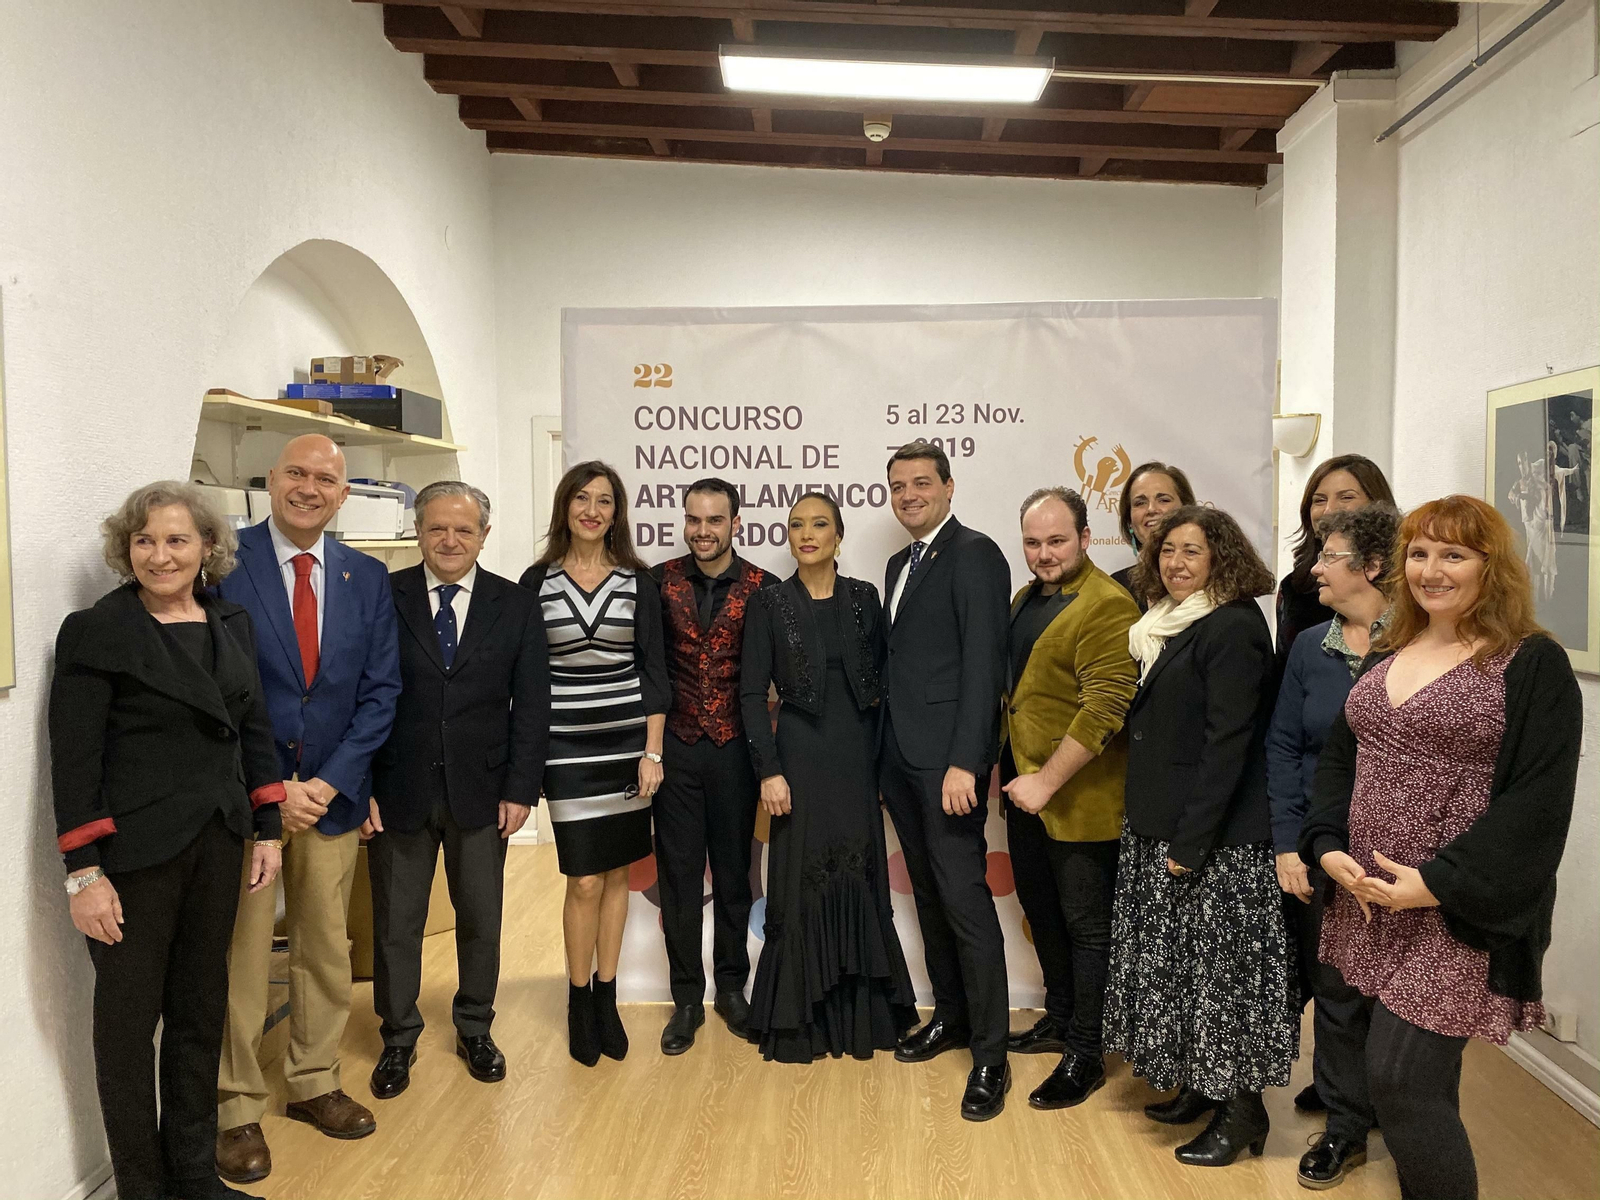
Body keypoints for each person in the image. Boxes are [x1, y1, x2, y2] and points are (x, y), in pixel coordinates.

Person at [1301, 495, 1581, 1200]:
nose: (1432, 569)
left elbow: (1538, 806)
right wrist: (1327, 841)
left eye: (1453, 554)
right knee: (1409, 1083)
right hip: (1369, 899)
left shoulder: (1531, 663)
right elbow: (1343, 754)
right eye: (1419, 553)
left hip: (1454, 909)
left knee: (1400, 1082)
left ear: (1493, 566)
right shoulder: (1394, 645)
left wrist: (1435, 882)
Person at [51, 483, 285, 1200]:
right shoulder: (97, 630)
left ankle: (192, 1172)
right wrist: (83, 873)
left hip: (218, 842)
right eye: (145, 541)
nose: (160, 555)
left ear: (207, 548)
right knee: (126, 1031)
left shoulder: (231, 621)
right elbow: (75, 757)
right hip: (133, 857)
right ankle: (141, 1187)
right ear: (126, 549)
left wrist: (268, 826)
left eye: (177, 540)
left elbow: (253, 729)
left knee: (198, 1011)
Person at [214, 435, 401, 1184]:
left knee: (328, 946)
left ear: (344, 494)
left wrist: (329, 783)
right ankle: (234, 1106)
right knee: (243, 953)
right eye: (298, 473)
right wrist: (273, 788)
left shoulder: (365, 576)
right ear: (271, 479)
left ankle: (314, 1080)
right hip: (250, 798)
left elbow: (380, 692)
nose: (310, 488)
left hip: (332, 795)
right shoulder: (225, 562)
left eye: (327, 478)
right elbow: (215, 684)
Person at [1103, 504, 1298, 1168]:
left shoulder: (1234, 627)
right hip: (1164, 826)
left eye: (1192, 551)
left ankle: (1243, 1112)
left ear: (1223, 559)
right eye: (1166, 551)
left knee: (1224, 982)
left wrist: (1191, 842)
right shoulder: (1164, 625)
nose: (1176, 563)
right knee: (1184, 973)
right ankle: (1200, 1087)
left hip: (1214, 843)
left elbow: (1229, 748)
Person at [366, 482, 550, 1099]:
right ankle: (398, 1037)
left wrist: (522, 788)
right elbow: (358, 697)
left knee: (480, 917)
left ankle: (475, 1026)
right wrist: (359, 785)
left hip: (484, 789)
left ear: (484, 536)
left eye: (463, 530)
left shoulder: (516, 604)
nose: (450, 541)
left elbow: (533, 705)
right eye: (437, 529)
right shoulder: (380, 596)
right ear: (417, 531)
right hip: (397, 788)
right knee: (398, 923)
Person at [740, 493, 919, 1061]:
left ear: (838, 536)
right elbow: (749, 696)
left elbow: (890, 688)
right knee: (798, 880)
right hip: (798, 760)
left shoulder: (866, 599)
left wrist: (887, 767)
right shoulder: (768, 603)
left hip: (856, 761)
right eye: (797, 525)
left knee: (858, 875)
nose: (807, 533)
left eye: (820, 524)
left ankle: (864, 1019)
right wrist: (768, 771)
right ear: (788, 537)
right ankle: (801, 1020)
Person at [877, 440, 1013, 1121]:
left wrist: (967, 758)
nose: (909, 494)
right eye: (898, 485)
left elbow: (985, 665)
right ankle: (952, 1018)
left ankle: (991, 1054)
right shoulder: (900, 564)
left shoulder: (976, 554)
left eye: (921, 483)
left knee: (963, 900)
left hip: (947, 765)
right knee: (929, 897)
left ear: (950, 487)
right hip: (899, 760)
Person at [519, 461, 669, 1067]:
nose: (592, 509)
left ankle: (607, 998)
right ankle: (578, 999)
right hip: (566, 749)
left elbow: (654, 671)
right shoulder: (536, 582)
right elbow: (527, 679)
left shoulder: (639, 581)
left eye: (604, 501)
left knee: (614, 877)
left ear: (616, 513)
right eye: (582, 498)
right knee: (582, 878)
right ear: (566, 507)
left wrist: (653, 751)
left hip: (627, 747)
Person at [1266, 503, 1398, 1189]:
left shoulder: (1421, 645)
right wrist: (1291, 844)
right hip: (1325, 849)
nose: (1314, 567)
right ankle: (1345, 1128)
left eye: (1330, 556)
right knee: (1338, 992)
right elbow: (1283, 747)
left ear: (1372, 567)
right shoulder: (1310, 648)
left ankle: (1408, 1123)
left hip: (1405, 855)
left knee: (1401, 999)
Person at [998, 488, 1140, 1111]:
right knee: (1044, 913)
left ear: (1086, 538)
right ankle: (1060, 1018)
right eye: (1033, 542)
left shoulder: (1108, 605)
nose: (1044, 553)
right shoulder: (1025, 598)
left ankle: (1087, 1050)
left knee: (1088, 930)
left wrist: (1046, 781)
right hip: (1025, 796)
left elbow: (1107, 706)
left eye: (1057, 540)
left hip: (1078, 802)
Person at [648, 478, 775, 1055]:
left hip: (735, 752)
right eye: (694, 519)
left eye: (715, 520)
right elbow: (647, 669)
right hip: (674, 749)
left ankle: (731, 989)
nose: (703, 531)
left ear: (735, 523)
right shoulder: (658, 582)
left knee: (732, 876)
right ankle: (685, 999)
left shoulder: (764, 588)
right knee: (677, 877)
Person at [1276, 454, 1395, 678]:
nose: (1329, 510)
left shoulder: (1407, 580)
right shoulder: (1295, 587)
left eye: (1346, 497)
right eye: (1319, 500)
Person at [1110, 461, 1195, 607]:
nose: (1151, 509)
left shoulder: (1209, 578)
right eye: (1140, 503)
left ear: (1187, 509)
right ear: (1129, 520)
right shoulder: (1117, 587)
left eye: (1163, 500)